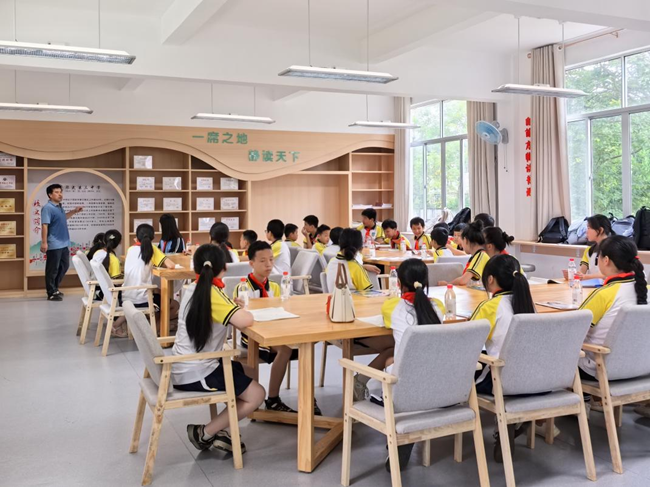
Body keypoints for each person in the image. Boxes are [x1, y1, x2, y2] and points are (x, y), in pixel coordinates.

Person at [172, 244, 265, 454]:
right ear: (224, 267)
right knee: (257, 394)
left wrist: (231, 305)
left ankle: (223, 429)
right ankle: (204, 433)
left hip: (185, 366)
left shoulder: (193, 289)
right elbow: (246, 320)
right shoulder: (213, 293)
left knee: (246, 371)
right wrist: (240, 309)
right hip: (198, 372)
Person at [233, 241, 321, 415]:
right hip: (251, 336)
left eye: (271, 260)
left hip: (275, 331)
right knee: (285, 350)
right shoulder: (242, 288)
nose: (268, 264)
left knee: (306, 346)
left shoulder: (275, 286)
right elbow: (241, 319)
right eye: (263, 261)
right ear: (251, 263)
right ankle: (273, 399)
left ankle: (308, 397)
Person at [378, 258, 444, 472]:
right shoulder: (438, 307)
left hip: (406, 386)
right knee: (396, 359)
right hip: (439, 382)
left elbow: (386, 323)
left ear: (398, 283)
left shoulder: (392, 307)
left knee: (391, 361)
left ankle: (403, 429)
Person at [470, 254, 537, 460]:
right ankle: (511, 423)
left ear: (490, 279)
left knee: (468, 367)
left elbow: (467, 343)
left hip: (502, 381)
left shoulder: (491, 306)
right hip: (535, 379)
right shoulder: (528, 305)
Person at [578, 236, 647, 382]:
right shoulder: (646, 291)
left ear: (606, 260)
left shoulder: (604, 294)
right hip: (642, 367)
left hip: (600, 369)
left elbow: (572, 332)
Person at [123, 224, 178, 328]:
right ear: (153, 237)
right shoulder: (152, 249)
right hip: (143, 299)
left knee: (157, 293)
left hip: (127, 297)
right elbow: (171, 265)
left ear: (136, 237)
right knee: (174, 305)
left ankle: (154, 325)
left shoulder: (130, 249)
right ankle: (157, 328)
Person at [40, 183, 83, 301]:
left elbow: (64, 217)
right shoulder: (47, 208)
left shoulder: (59, 207)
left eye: (60, 192)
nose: (60, 194)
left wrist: (74, 211)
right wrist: (44, 242)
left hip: (64, 243)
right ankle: (51, 292)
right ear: (50, 195)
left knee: (64, 266)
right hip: (54, 243)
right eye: (56, 192)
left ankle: (55, 288)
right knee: (52, 268)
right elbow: (44, 225)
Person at [439, 221, 489, 287]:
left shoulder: (481, 256)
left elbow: (463, 280)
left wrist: (448, 284)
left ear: (465, 240)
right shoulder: (477, 255)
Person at [579, 214, 612, 280]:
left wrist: (586, 277)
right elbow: (582, 272)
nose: (586, 232)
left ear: (600, 230)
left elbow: (609, 274)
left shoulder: (613, 249)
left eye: (589, 228)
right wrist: (573, 275)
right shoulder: (589, 250)